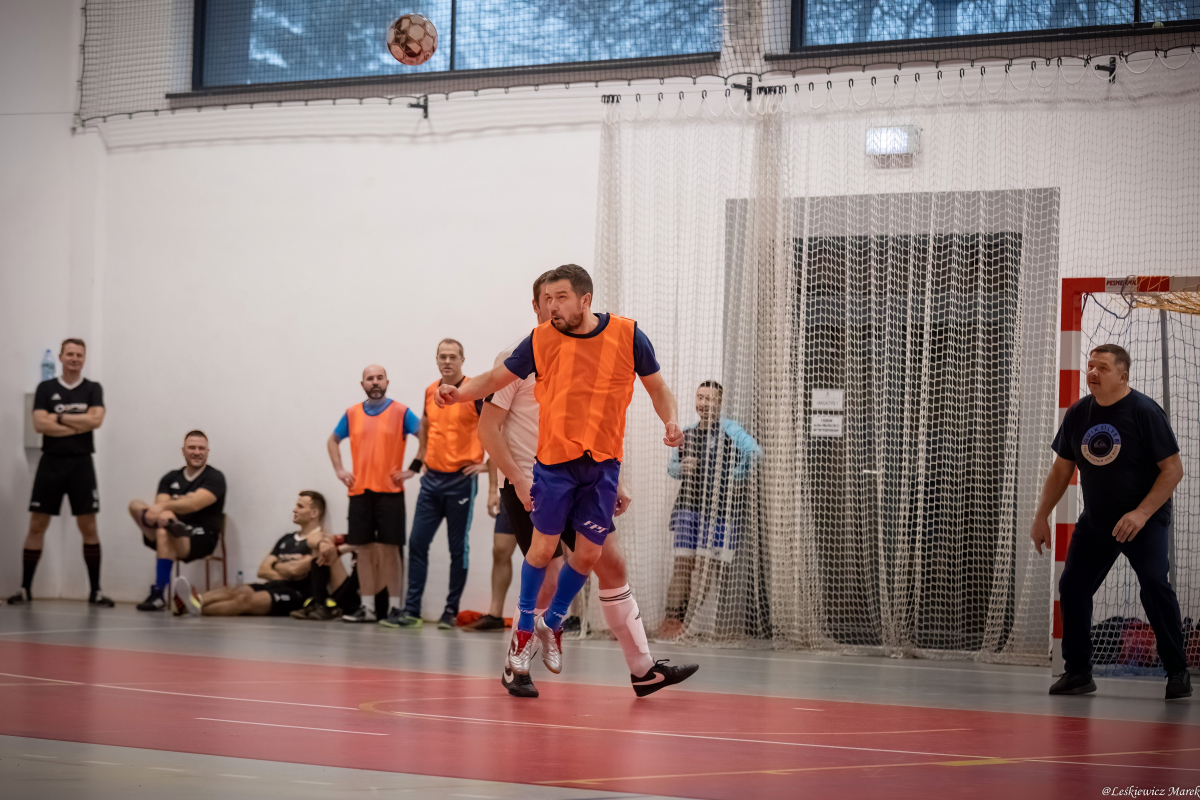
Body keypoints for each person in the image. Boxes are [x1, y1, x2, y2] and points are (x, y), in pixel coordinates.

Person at [437, 264, 693, 694]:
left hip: (594, 470)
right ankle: (518, 658)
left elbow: (621, 404)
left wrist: (625, 468)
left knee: (607, 563)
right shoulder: (525, 351)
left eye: (559, 299)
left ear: (584, 300)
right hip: (537, 476)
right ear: (535, 305)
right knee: (548, 570)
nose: (551, 307)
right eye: (546, 300)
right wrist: (517, 479)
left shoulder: (622, 337)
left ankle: (640, 667)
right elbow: (488, 425)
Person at [1032, 344, 1191, 700]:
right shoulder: (1078, 413)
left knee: (1154, 584)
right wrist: (1041, 515)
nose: (1092, 372)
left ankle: (1177, 671)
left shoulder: (1145, 411)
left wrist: (1141, 513)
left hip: (1144, 520)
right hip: (1097, 520)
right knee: (1073, 586)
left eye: (1102, 367)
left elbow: (1173, 469)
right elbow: (1061, 470)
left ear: (1123, 375)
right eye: (1090, 366)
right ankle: (1078, 672)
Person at [396, 339, 493, 630]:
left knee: (457, 549)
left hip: (460, 482)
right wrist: (421, 459)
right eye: (442, 356)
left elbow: (495, 428)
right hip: (431, 481)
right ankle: (411, 610)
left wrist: (486, 468)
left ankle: (450, 611)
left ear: (463, 360)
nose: (447, 361)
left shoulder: (474, 390)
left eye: (452, 356)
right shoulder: (430, 391)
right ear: (437, 360)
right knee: (417, 543)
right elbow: (426, 425)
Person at [9, 339, 111, 607]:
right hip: (51, 463)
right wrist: (80, 424)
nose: (75, 358)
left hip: (81, 464)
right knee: (37, 525)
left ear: (84, 358)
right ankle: (25, 588)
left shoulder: (93, 388)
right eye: (70, 354)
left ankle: (96, 591)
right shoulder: (46, 388)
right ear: (61, 357)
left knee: (89, 526)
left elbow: (96, 420)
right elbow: (39, 424)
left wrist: (59, 418)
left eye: (79, 355)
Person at [660, 380, 760, 638]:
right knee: (682, 565)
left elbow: (755, 453)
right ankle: (672, 621)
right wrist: (681, 468)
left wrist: (734, 474)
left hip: (719, 512)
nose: (703, 403)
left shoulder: (730, 430)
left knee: (706, 568)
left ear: (720, 402)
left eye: (710, 398)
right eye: (700, 397)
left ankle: (691, 623)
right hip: (687, 509)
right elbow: (672, 468)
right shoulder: (687, 433)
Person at [327, 364, 420, 624]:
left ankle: (394, 608)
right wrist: (339, 469)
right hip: (359, 491)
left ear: (387, 382)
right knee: (364, 551)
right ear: (363, 384)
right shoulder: (352, 413)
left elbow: (427, 437)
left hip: (390, 492)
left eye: (380, 377)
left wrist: (413, 469)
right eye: (370, 378)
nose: (375, 382)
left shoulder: (401, 412)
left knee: (391, 551)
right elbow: (332, 440)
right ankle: (367, 608)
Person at [174, 491, 328, 617]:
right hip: (274, 584)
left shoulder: (318, 541)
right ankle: (193, 601)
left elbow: (295, 570)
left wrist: (276, 565)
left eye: (300, 506)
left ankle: (191, 608)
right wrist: (283, 571)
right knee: (234, 590)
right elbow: (262, 570)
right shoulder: (286, 539)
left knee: (244, 600)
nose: (294, 510)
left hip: (296, 593)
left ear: (314, 513)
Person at [129, 430, 227, 611]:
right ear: (183, 451)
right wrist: (171, 507)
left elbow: (194, 504)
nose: (196, 452)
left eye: (201, 448)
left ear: (207, 452)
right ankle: (170, 525)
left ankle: (159, 593)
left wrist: (168, 506)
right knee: (136, 506)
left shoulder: (215, 477)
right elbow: (162, 507)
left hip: (200, 536)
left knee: (164, 528)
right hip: (166, 527)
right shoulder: (170, 477)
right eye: (192, 448)